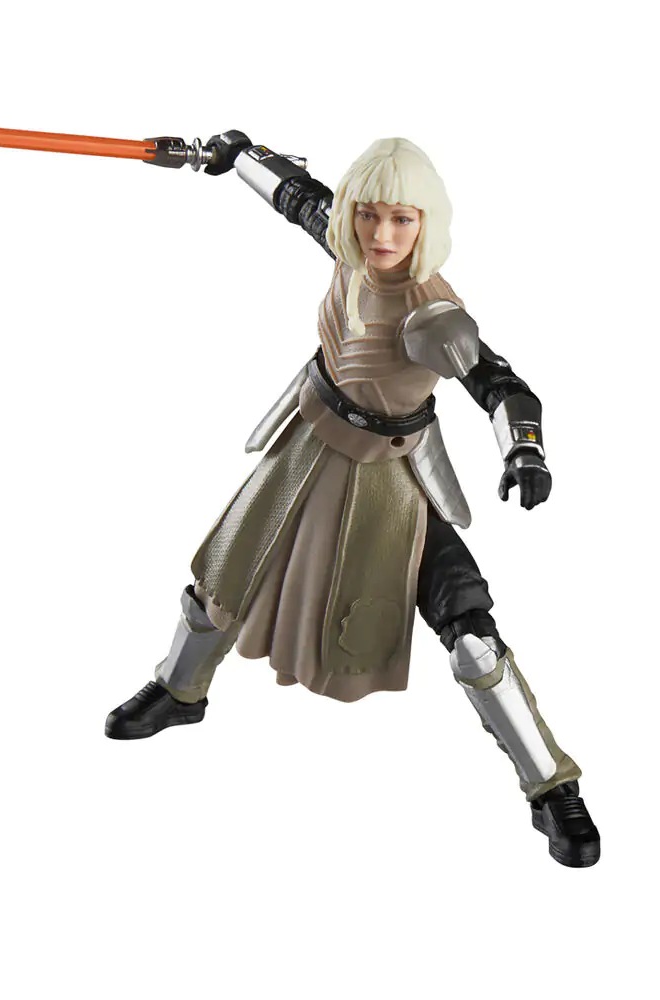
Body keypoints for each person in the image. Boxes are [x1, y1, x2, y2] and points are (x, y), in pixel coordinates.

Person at [103, 135, 599, 868]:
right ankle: (180, 690)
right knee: (223, 572)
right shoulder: (349, 248)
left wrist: (523, 448)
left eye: (402, 219)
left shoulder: (432, 312)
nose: (382, 235)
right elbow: (296, 196)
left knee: (469, 632)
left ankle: (552, 786)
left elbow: (499, 384)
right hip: (310, 443)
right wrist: (236, 154)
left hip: (392, 479)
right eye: (369, 215)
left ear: (426, 223)